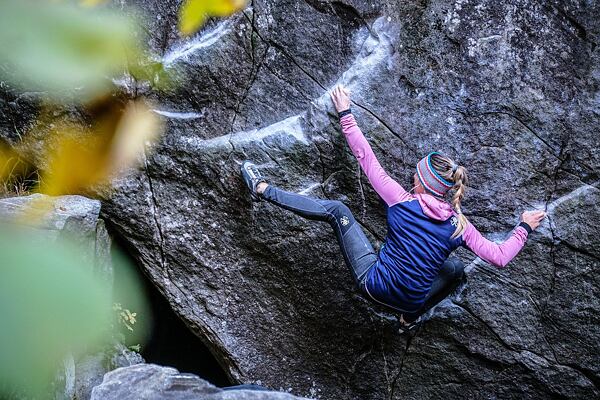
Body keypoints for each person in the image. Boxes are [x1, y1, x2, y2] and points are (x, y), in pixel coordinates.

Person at [240, 84, 546, 331]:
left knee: (337, 210)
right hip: (410, 301)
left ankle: (261, 189)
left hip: (374, 285)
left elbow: (366, 157)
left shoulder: (401, 199)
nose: (411, 176)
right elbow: (499, 256)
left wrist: (345, 112)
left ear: (422, 182)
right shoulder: (459, 226)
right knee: (454, 269)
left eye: (415, 174)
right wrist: (524, 228)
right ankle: (408, 319)